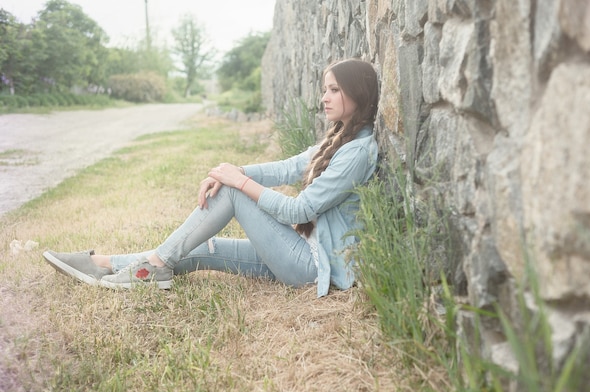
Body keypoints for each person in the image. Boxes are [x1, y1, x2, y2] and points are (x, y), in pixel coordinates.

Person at [43, 58, 379, 298]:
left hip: (309, 266)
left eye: (334, 90)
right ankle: (102, 264)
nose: (324, 97)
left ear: (357, 94)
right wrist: (233, 170)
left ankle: (155, 265)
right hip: (296, 251)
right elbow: (289, 168)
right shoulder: (339, 139)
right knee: (202, 246)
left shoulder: (358, 152)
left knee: (233, 194)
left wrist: (237, 182)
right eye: (325, 89)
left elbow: (299, 211)